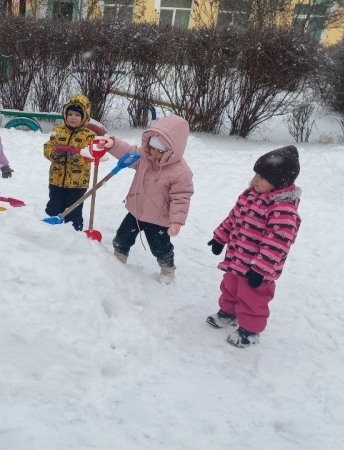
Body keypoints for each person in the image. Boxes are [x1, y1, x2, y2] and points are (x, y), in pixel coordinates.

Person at [206, 145, 302, 348]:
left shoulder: (283, 210)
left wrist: (260, 269)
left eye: (262, 177)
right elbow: (233, 218)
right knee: (230, 287)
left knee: (253, 298)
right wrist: (220, 237)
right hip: (237, 258)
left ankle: (250, 331)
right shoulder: (249, 195)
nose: (255, 180)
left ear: (279, 182)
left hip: (258, 269)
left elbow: (276, 244)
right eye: (256, 174)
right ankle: (228, 313)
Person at [104, 114, 194, 284]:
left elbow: (181, 198)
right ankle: (118, 259)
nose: (155, 153)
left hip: (158, 219)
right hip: (136, 211)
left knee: (160, 247)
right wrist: (113, 145)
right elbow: (129, 152)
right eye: (152, 148)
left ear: (173, 150)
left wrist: (176, 221)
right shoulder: (145, 158)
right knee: (122, 237)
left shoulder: (180, 172)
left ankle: (168, 268)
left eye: (161, 151)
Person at [42, 94, 95, 231]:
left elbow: (91, 155)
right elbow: (48, 146)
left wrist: (77, 155)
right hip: (57, 179)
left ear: (84, 117)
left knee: (73, 210)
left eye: (77, 115)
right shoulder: (58, 130)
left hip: (77, 182)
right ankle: (49, 230)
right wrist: (54, 153)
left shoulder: (88, 135)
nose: (73, 117)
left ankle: (74, 232)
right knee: (54, 206)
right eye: (70, 114)